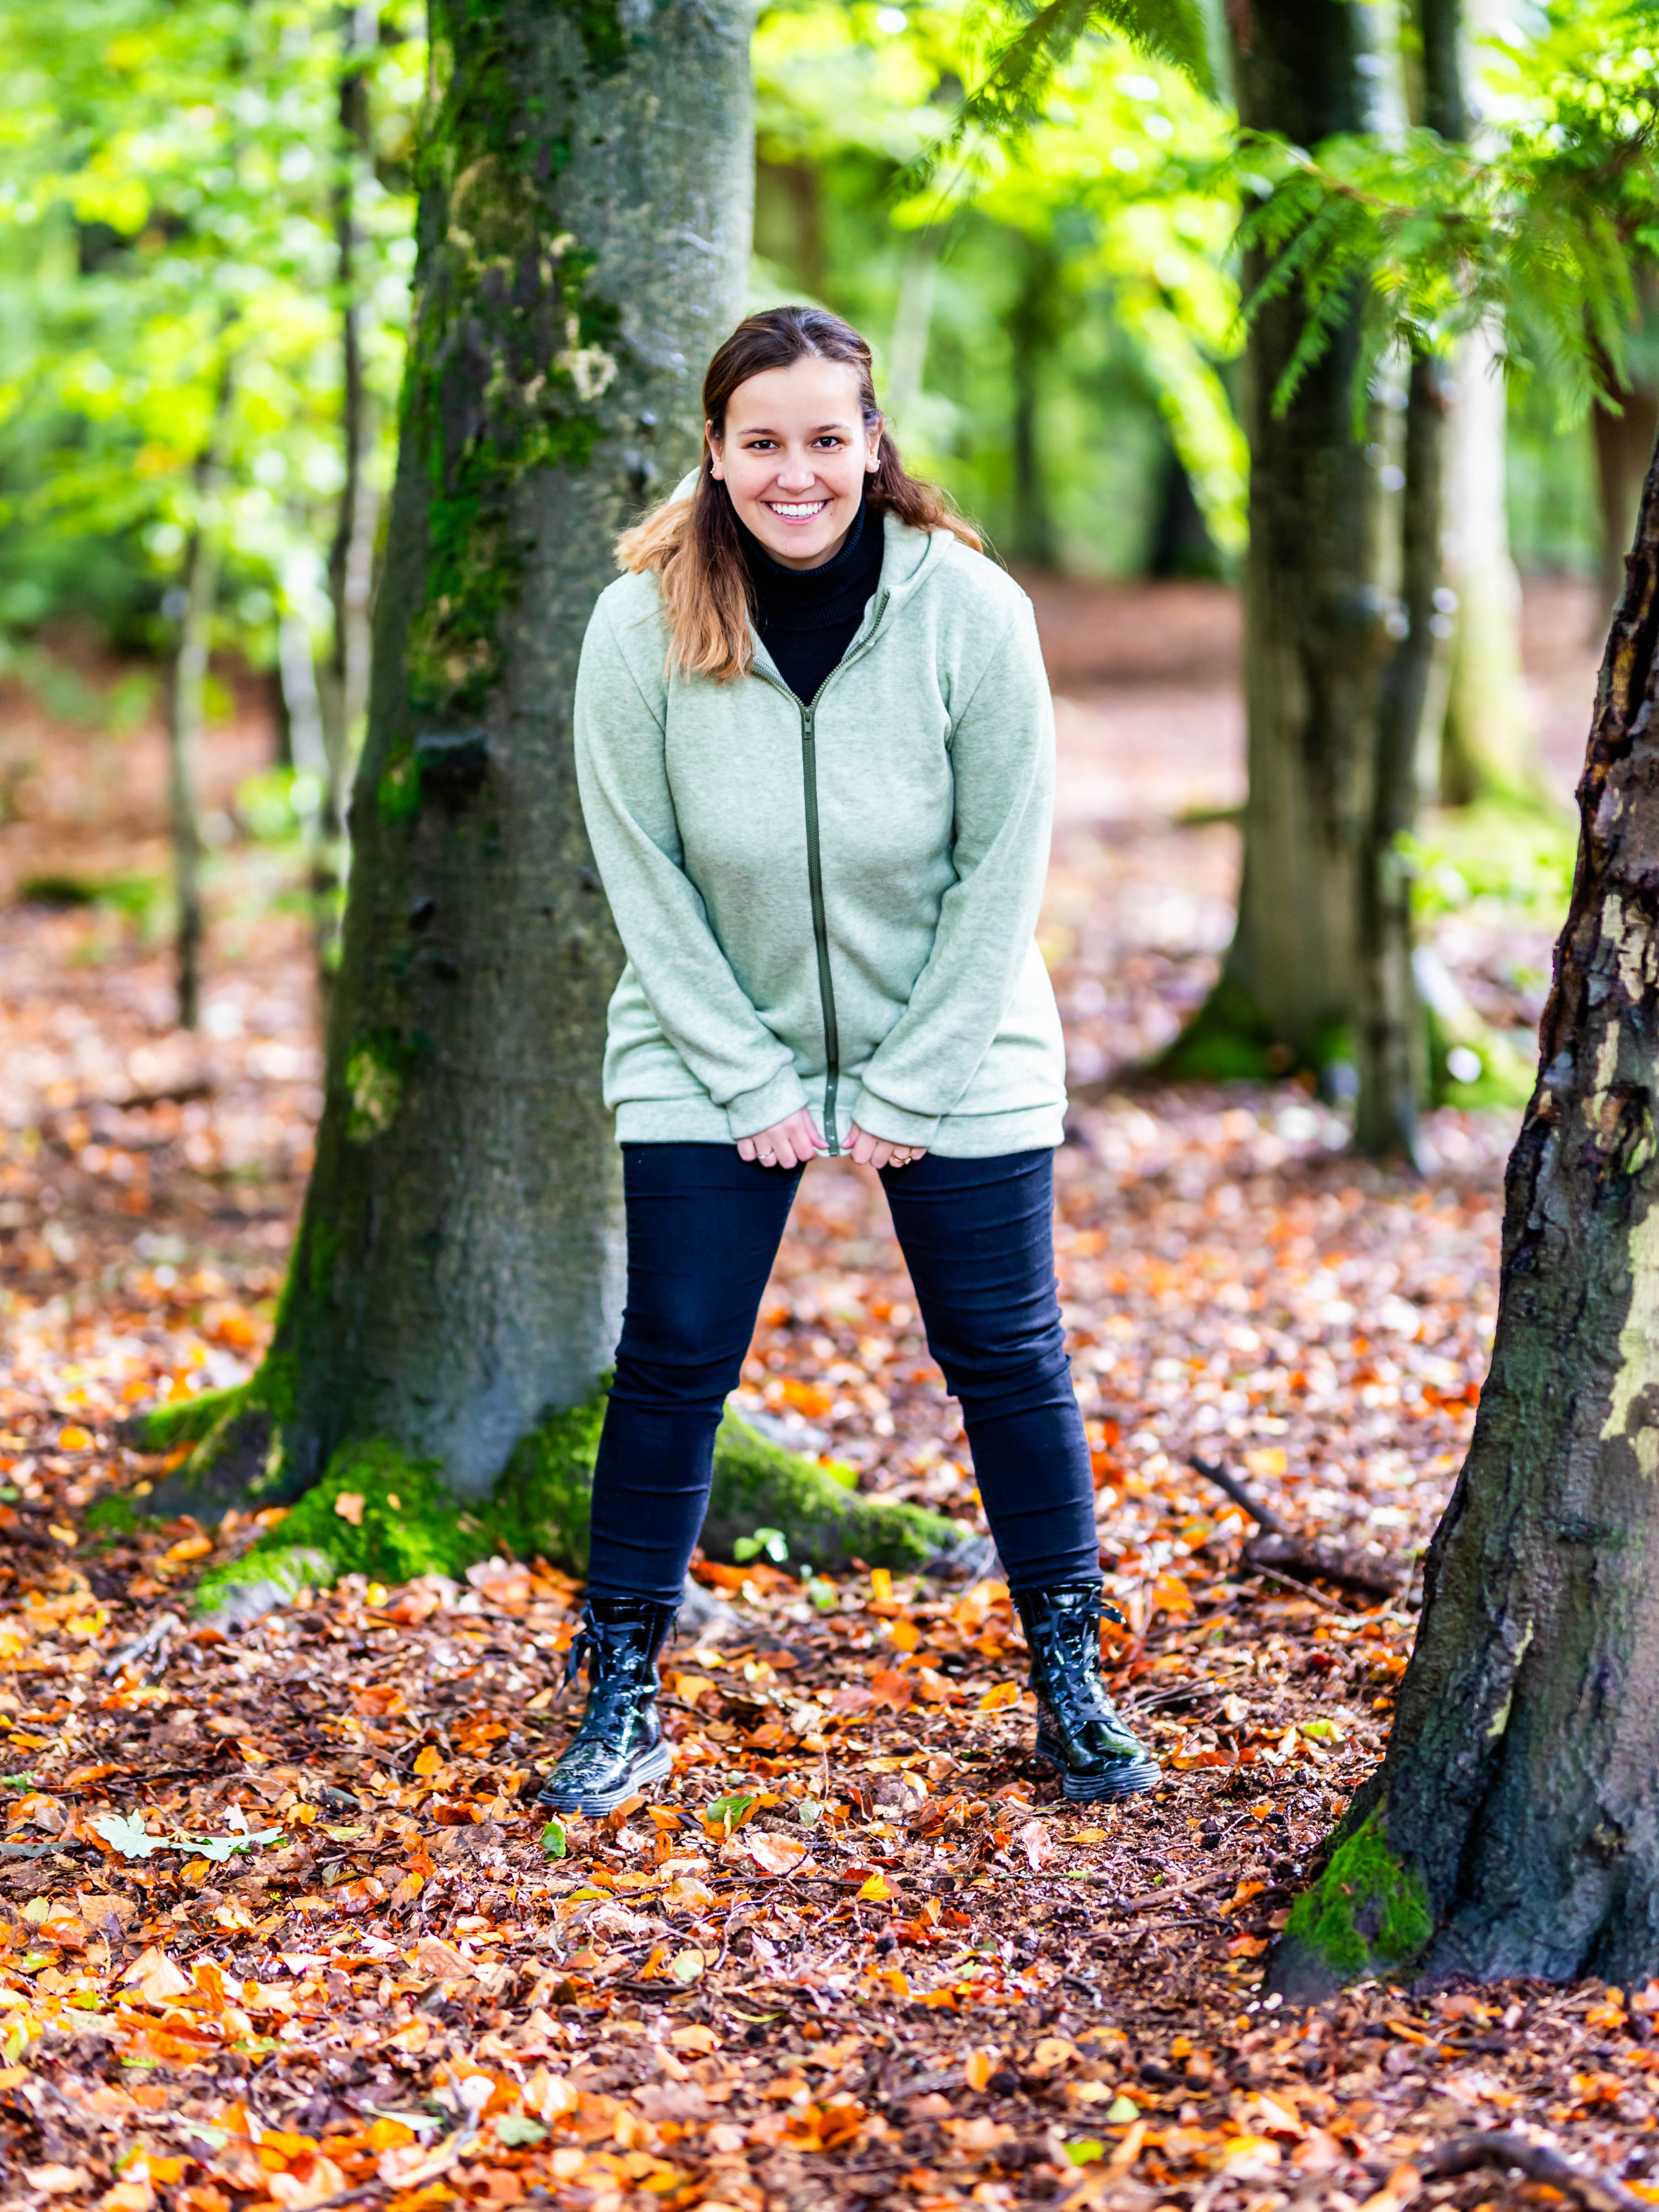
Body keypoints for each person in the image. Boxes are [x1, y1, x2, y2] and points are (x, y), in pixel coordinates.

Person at [542, 304, 1159, 1815]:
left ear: (873, 444)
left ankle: (1070, 1676)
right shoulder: (638, 624)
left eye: (827, 437)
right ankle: (619, 1685)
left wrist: (908, 1085)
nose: (796, 472)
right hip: (705, 1041)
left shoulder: (971, 610)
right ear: (715, 450)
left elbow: (1003, 867)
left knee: (1007, 1353)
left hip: (959, 1037)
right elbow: (641, 874)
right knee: (674, 1354)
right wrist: (750, 1080)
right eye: (764, 442)